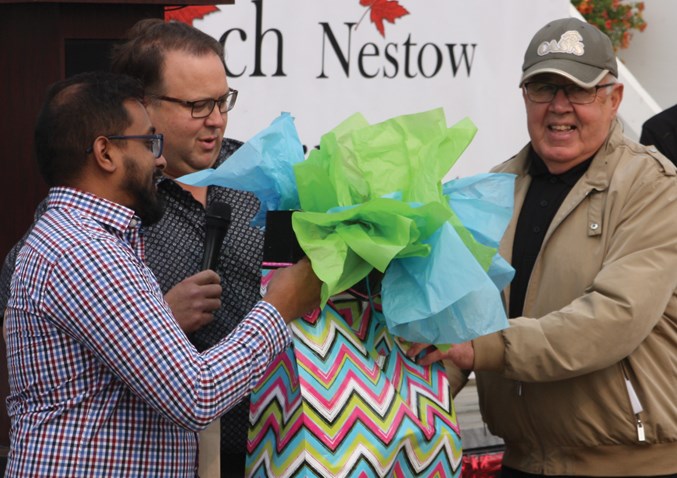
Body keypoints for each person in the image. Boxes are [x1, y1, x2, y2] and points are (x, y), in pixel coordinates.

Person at [3, 71, 321, 477]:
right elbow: (196, 395)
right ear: (106, 153)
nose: (161, 159)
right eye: (150, 141)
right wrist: (279, 307)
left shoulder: (82, 239)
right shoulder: (87, 252)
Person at [409, 17, 677, 477]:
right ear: (524, 96)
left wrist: (482, 348)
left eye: (578, 90)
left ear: (614, 98)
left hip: (631, 467)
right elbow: (457, 320)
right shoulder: (494, 190)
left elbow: (614, 318)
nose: (558, 106)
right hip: (522, 461)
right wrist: (405, 406)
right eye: (543, 87)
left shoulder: (654, 187)